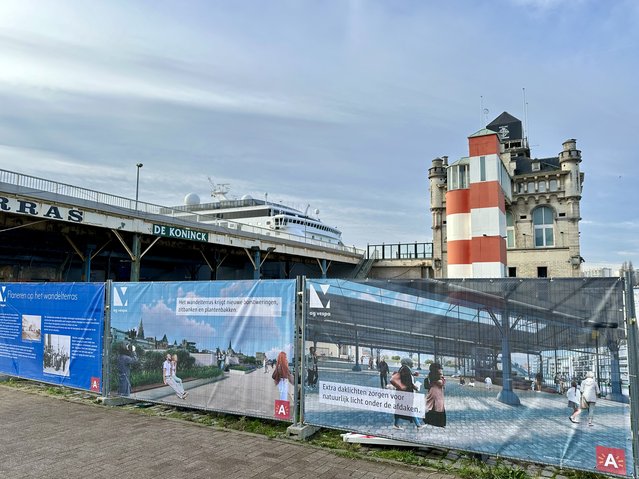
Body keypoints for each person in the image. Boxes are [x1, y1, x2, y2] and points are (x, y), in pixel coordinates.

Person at [392, 357, 425, 430]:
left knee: (400, 408)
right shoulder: (406, 369)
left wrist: (413, 374)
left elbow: (405, 377)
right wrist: (416, 387)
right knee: (408, 408)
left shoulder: (403, 368)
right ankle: (418, 425)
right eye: (411, 362)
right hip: (405, 393)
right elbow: (408, 382)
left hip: (401, 393)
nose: (412, 363)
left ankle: (395, 425)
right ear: (407, 362)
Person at [423, 362, 446, 428]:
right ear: (437, 369)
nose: (441, 369)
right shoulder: (437, 376)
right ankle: (438, 423)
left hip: (432, 391)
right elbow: (441, 383)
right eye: (439, 368)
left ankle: (428, 420)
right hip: (437, 392)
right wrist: (443, 378)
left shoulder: (431, 374)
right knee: (438, 406)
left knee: (431, 406)